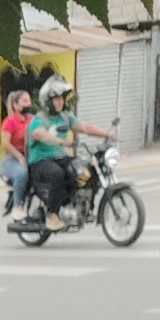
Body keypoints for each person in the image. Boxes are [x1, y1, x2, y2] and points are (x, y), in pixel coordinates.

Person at [26, 74, 112, 231]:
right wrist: (61, 141)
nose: (60, 101)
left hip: (61, 157)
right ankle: (52, 214)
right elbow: (39, 134)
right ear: (48, 101)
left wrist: (107, 133)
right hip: (40, 161)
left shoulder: (65, 117)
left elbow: (85, 127)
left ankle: (79, 207)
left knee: (84, 170)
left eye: (62, 98)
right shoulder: (39, 120)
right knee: (57, 174)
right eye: (57, 98)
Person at [0, 88, 34, 223]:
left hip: (30, 156)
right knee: (22, 173)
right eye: (24, 101)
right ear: (15, 105)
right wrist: (19, 156)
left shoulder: (32, 120)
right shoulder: (10, 122)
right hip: (12, 159)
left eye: (29, 100)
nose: (28, 104)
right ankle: (17, 206)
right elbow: (5, 144)